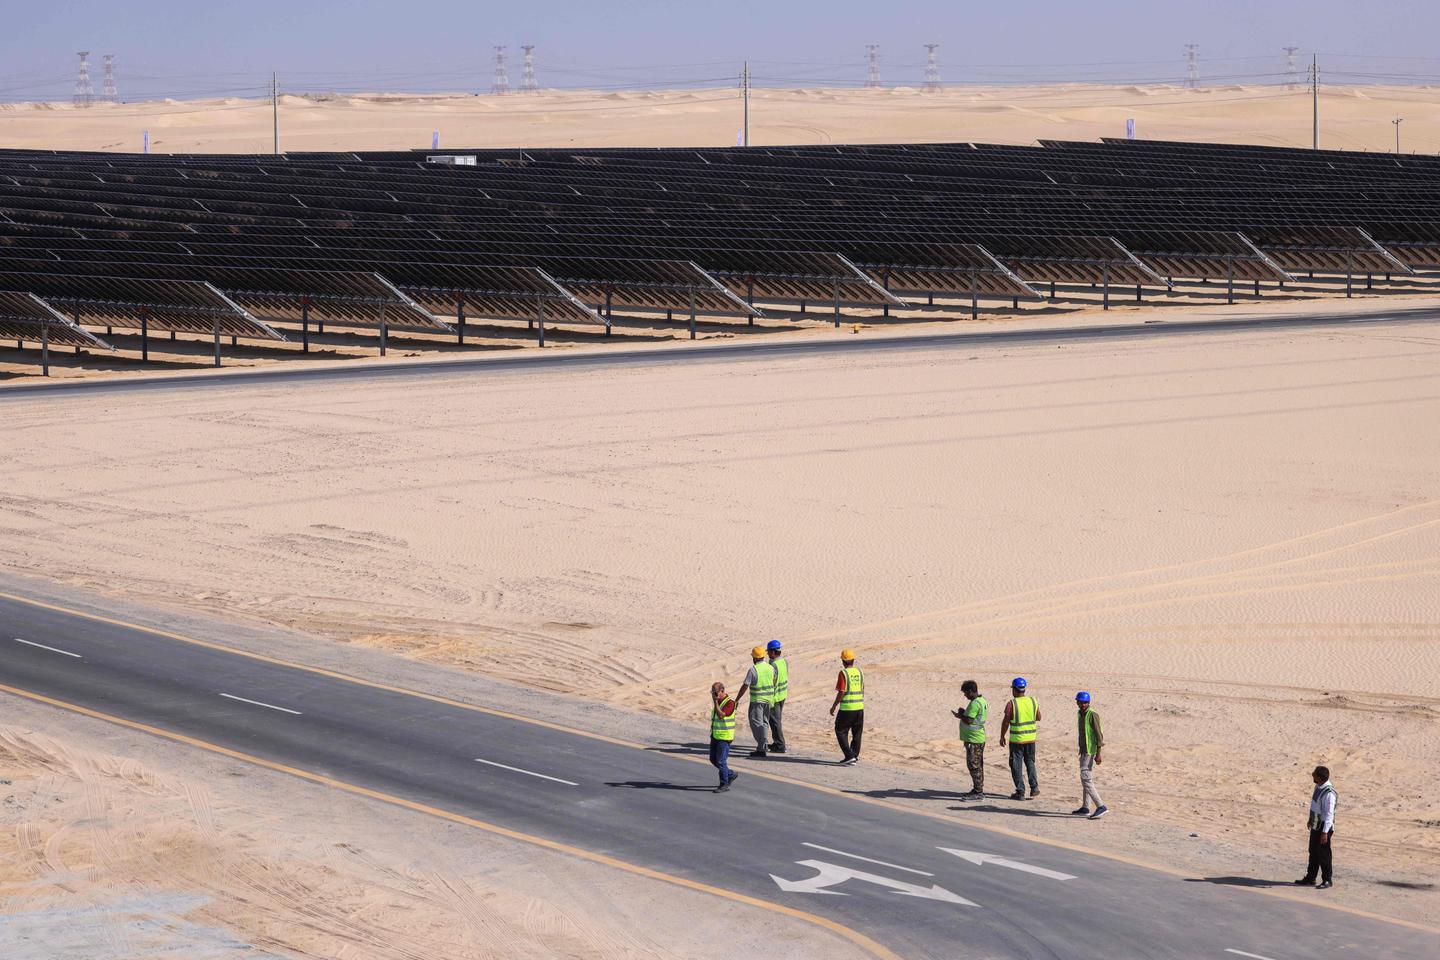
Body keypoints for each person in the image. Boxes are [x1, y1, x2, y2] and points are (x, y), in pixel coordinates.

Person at [999, 677, 1041, 800]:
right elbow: (1038, 717)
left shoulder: (1011, 704)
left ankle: (1020, 791)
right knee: (1030, 763)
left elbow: (1006, 722)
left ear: (1014, 690)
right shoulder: (1033, 701)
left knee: (1016, 765)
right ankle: (1034, 788)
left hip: (1017, 740)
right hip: (1031, 739)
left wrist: (1002, 736)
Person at [1295, 766, 1336, 889]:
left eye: (1314, 774)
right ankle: (1311, 877)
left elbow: (1329, 814)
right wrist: (1310, 820)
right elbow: (1315, 806)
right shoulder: (1318, 786)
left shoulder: (1329, 793)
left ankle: (1327, 880)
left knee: (1324, 854)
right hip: (1315, 824)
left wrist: (1325, 833)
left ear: (1320, 777)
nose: (1312, 775)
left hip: (1324, 827)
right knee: (1313, 851)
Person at [1073, 691, 1108, 819]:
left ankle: (1101, 806)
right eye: (1081, 702)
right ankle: (1085, 807)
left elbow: (1099, 736)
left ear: (1089, 703)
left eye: (1085, 703)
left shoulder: (1092, 715)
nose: (1083, 705)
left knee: (1086, 779)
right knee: (1085, 779)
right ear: (1077, 702)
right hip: (1083, 750)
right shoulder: (1080, 714)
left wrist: (1098, 754)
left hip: (1090, 751)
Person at [736, 645, 776, 758]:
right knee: (764, 723)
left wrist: (737, 699)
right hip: (768, 700)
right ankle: (763, 745)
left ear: (754, 657)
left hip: (757, 700)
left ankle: (762, 746)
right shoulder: (770, 667)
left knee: (756, 724)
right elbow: (774, 680)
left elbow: (745, 685)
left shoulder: (753, 670)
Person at [951, 680, 988, 799]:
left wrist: (960, 715)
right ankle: (978, 789)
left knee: (973, 765)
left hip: (974, 739)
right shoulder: (981, 701)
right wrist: (964, 713)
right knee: (978, 765)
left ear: (971, 691)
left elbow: (969, 720)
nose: (965, 695)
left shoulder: (975, 703)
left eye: (965, 692)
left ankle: (978, 792)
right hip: (978, 738)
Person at [829, 649, 865, 765]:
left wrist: (834, 706)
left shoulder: (843, 673)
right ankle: (854, 756)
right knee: (857, 733)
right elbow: (862, 688)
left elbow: (841, 692)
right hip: (859, 708)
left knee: (840, 731)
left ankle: (849, 755)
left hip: (847, 708)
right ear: (853, 660)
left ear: (843, 661)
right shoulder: (860, 672)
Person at [708, 682, 740, 793]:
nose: (713, 694)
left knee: (721, 761)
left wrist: (715, 701)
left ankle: (724, 783)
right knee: (713, 759)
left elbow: (721, 715)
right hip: (715, 735)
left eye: (715, 692)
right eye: (712, 692)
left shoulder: (730, 703)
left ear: (722, 690)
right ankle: (731, 774)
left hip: (725, 737)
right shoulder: (719, 701)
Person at [766, 640, 789, 754]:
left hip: (775, 697)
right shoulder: (783, 661)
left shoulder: (773, 664)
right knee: (776, 720)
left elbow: (772, 681)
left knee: (775, 721)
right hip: (782, 695)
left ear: (773, 652)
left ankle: (780, 745)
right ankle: (777, 742)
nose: (767, 654)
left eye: (769, 652)